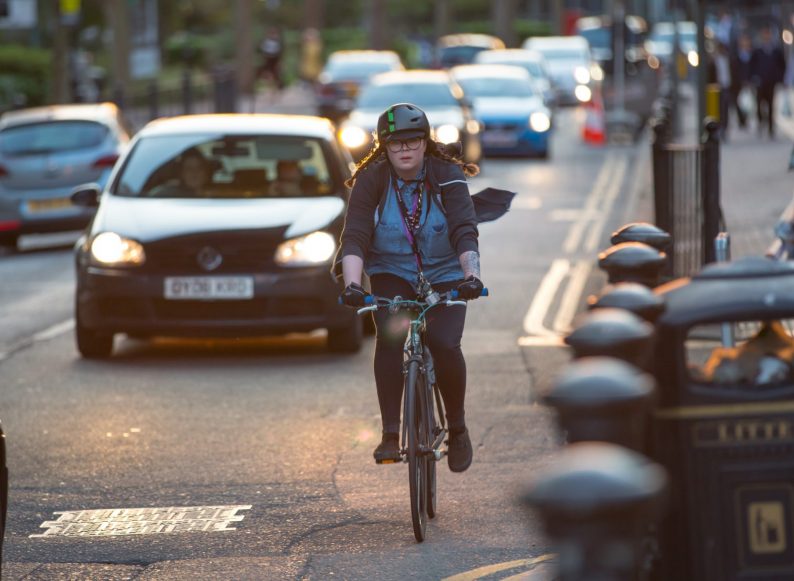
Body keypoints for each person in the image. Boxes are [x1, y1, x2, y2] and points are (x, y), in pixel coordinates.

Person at [337, 103, 484, 473]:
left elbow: (464, 229)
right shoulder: (372, 177)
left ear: (425, 142)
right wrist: (354, 285)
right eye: (395, 143)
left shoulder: (446, 173)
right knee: (390, 336)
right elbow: (354, 236)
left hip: (446, 271)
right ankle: (390, 433)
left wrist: (472, 277)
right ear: (383, 147)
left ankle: (458, 428)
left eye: (412, 141)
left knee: (445, 342)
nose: (404, 150)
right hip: (391, 270)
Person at [750, 26, 787, 138]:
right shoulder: (757, 50)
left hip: (771, 82)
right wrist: (753, 78)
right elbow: (752, 65)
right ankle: (761, 123)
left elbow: (782, 65)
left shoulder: (776, 51)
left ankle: (771, 127)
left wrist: (780, 79)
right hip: (760, 82)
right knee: (759, 104)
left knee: (771, 105)